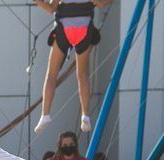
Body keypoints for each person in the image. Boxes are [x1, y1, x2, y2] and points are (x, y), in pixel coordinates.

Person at [34, 0, 114, 134]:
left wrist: (37, 1)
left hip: (64, 29)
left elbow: (51, 9)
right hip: (84, 28)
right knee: (82, 74)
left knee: (51, 74)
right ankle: (85, 115)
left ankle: (45, 114)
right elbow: (101, 3)